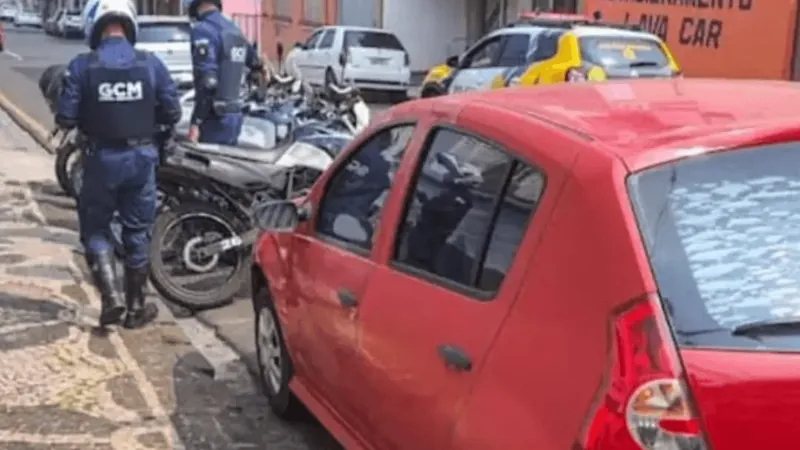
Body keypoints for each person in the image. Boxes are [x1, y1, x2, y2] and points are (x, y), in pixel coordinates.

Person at [55, 0, 181, 329]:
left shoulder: (82, 66)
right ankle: (136, 309)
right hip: (142, 161)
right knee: (136, 232)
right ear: (129, 24)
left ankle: (111, 298)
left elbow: (65, 116)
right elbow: (173, 112)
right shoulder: (151, 63)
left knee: (96, 230)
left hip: (100, 161)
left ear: (94, 24)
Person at [183, 0, 265, 145]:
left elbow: (208, 82)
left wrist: (196, 121)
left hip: (214, 118)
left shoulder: (203, 30)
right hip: (234, 114)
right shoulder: (234, 29)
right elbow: (256, 64)